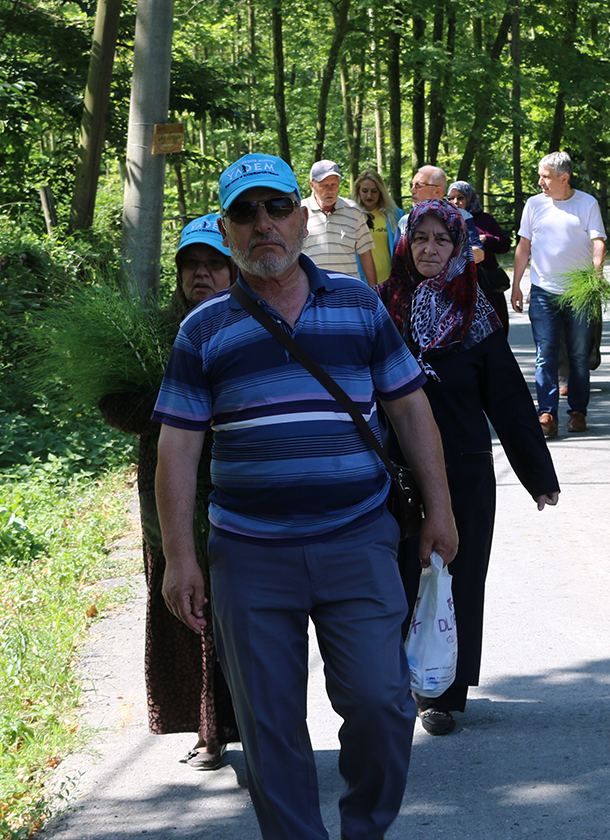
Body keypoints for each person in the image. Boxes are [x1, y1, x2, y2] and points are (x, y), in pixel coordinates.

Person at [153, 153, 459, 840]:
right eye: (245, 212)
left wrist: (440, 509)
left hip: (357, 540)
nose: (263, 224)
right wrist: (180, 558)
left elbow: (410, 409)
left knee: (383, 706)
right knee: (269, 727)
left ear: (300, 215)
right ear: (226, 231)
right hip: (250, 554)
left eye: (276, 207)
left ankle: (363, 832)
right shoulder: (202, 332)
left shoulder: (357, 307)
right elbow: (178, 447)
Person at [377, 200, 559, 737]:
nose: (431, 248)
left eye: (443, 240)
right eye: (422, 238)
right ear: (407, 243)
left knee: (458, 581)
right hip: (394, 473)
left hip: (465, 473)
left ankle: (444, 693)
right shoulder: (381, 310)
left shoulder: (476, 316)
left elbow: (508, 401)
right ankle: (393, 684)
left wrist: (537, 475)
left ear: (459, 248)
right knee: (395, 580)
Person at [97, 214, 239, 770]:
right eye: (191, 267)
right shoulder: (152, 335)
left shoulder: (252, 324)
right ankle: (207, 730)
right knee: (184, 603)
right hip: (170, 498)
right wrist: (177, 403)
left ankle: (243, 721)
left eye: (213, 265)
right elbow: (112, 402)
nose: (201, 276)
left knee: (240, 613)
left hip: (237, 493)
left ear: (232, 268)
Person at [509, 151, 607, 438]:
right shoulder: (534, 205)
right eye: (540, 175)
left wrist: (597, 271)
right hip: (543, 291)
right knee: (545, 353)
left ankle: (577, 412)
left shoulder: (587, 203)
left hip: (578, 291)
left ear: (564, 178)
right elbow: (523, 246)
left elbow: (597, 241)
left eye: (546, 176)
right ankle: (547, 413)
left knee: (578, 354)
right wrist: (517, 284)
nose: (540, 181)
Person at [446, 179, 512, 333]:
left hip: (486, 282)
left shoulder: (485, 220)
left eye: (460, 197)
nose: (456, 202)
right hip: (461, 284)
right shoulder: (446, 220)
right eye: (451, 198)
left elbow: (505, 245)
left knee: (497, 326)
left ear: (469, 198)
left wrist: (487, 239)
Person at [301, 158, 377, 284]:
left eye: (334, 185)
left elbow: (365, 253)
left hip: (348, 290)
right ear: (312, 186)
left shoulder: (353, 211)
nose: (330, 190)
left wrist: (375, 290)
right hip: (311, 290)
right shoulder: (299, 212)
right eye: (324, 185)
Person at [398, 164, 484, 265]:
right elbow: (398, 259)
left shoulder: (461, 217)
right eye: (412, 185)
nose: (412, 190)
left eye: (418, 186)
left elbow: (478, 254)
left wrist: (441, 265)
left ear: (437, 191)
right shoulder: (405, 221)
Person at [354, 169, 402, 285]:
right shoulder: (351, 216)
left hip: (389, 283)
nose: (369, 195)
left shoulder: (395, 215)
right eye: (364, 191)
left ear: (381, 191)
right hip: (360, 282)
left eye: (374, 191)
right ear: (358, 191)